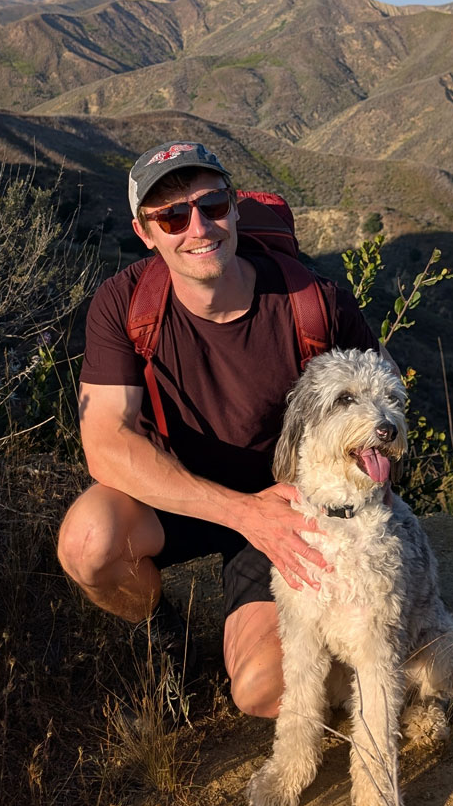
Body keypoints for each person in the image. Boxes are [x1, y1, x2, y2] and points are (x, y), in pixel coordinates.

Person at [57, 140, 379, 718]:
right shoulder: (126, 303)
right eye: (173, 216)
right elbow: (105, 444)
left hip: (288, 507)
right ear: (145, 232)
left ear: (234, 206)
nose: (198, 227)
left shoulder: (316, 305)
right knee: (88, 543)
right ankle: (161, 634)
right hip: (177, 495)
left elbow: (377, 430)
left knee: (263, 692)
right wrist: (240, 512)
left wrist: (336, 529)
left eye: (212, 206)